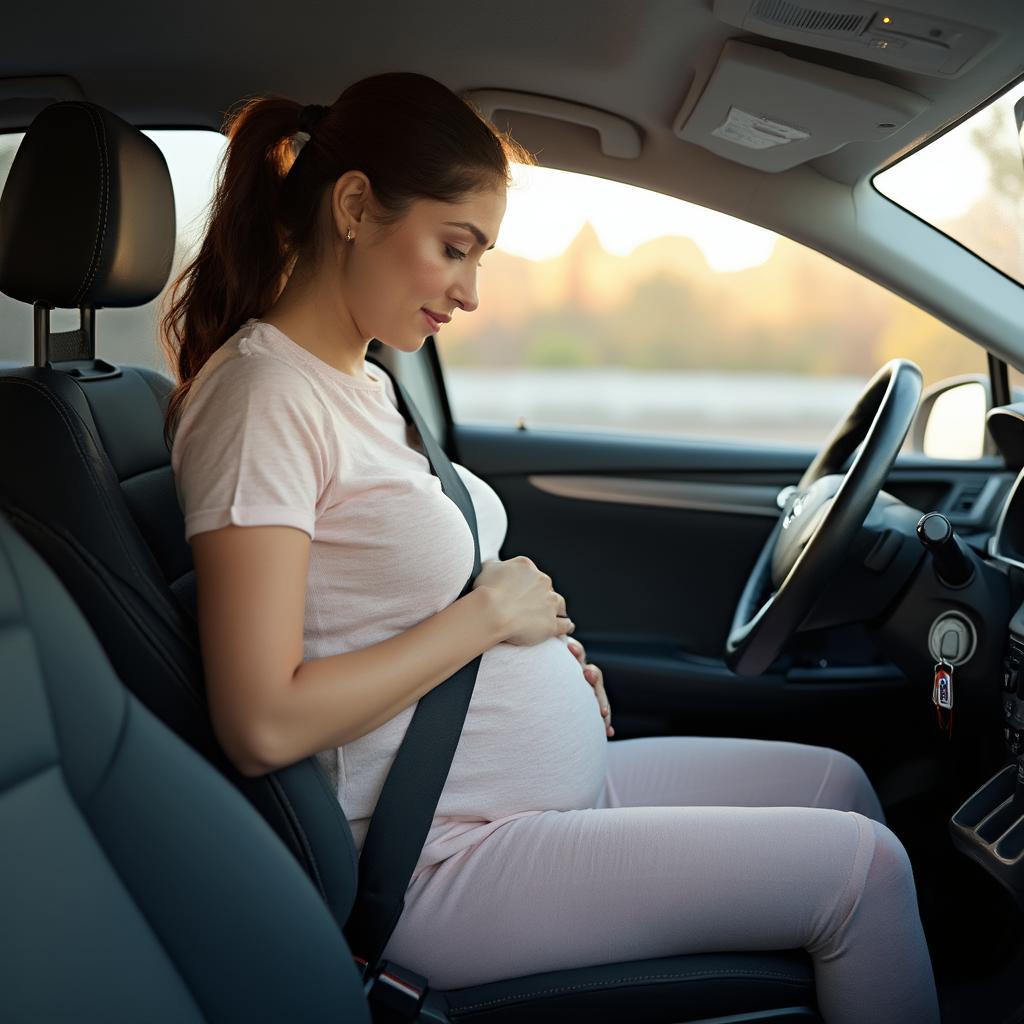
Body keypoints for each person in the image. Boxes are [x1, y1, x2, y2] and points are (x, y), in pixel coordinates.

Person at [163, 72, 940, 1023]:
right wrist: (489, 619)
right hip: (440, 858)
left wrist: (535, 662)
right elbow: (262, 724)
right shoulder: (262, 403)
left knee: (840, 783)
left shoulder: (360, 381)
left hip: (527, 803)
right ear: (357, 206)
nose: (472, 292)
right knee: (862, 871)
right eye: (455, 248)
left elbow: (393, 599)